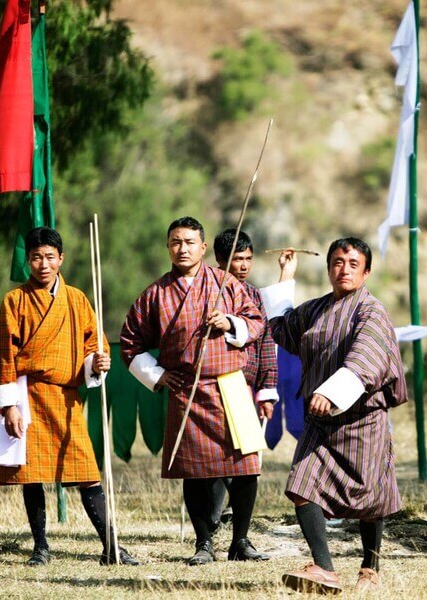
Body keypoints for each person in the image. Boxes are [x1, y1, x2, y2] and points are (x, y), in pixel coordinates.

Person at [119, 217, 268, 565]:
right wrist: (157, 375)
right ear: (168, 247)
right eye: (175, 242)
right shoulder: (155, 294)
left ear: (203, 247)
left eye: (189, 242)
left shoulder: (226, 283)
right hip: (187, 388)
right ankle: (204, 542)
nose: (182, 248)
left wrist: (230, 322)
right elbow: (130, 342)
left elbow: (258, 321)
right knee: (195, 470)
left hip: (231, 382)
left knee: (247, 467)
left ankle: (241, 541)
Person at [261, 238, 406, 594]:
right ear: (328, 268)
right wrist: (286, 275)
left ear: (366, 271)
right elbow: (281, 327)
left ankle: (370, 567)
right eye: (338, 262)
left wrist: (332, 391)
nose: (344, 269)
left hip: (362, 418)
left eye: (353, 264)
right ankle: (324, 569)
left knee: (372, 499)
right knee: (301, 485)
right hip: (320, 420)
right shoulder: (315, 309)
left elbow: (366, 356)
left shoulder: (372, 311)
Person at [0, 227, 138, 566]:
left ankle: (111, 546)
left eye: (50, 257)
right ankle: (40, 546)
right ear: (28, 260)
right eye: (36, 257)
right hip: (28, 395)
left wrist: (97, 362)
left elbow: (93, 345)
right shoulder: (14, 301)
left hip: (67, 397)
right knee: (31, 474)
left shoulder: (78, 299)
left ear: (61, 259)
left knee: (86, 471)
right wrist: (9, 406)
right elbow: (3, 357)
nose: (44, 264)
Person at [208, 228, 278, 527]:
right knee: (211, 456)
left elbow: (265, 344)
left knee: (245, 458)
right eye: (238, 259)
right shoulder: (206, 291)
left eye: (248, 258)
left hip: (242, 387)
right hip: (210, 384)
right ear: (221, 260)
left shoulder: (254, 295)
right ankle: (209, 519)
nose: (244, 265)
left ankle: (238, 523)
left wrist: (267, 390)